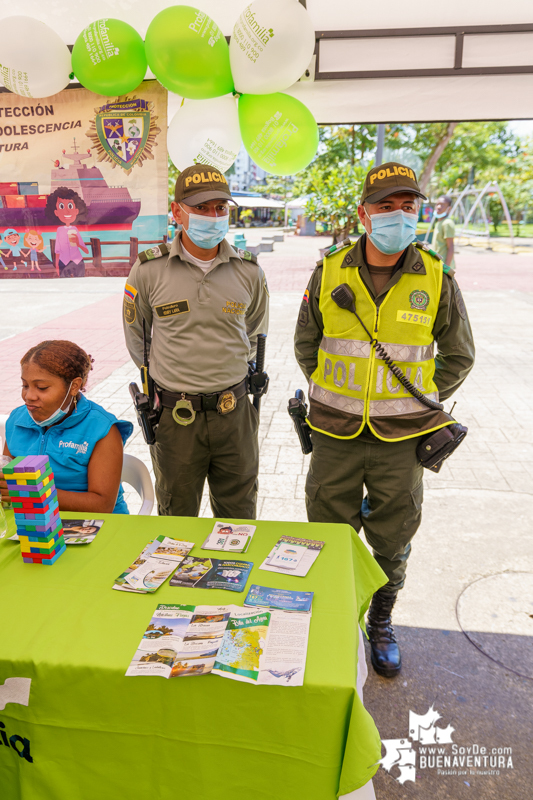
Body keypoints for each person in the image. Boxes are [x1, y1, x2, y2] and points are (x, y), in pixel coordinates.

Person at [294, 162, 475, 677]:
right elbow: (307, 343)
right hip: (334, 432)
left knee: (393, 537)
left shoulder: (436, 275)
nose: (398, 215)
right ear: (364, 214)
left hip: (402, 440)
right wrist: (336, 390)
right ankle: (337, 619)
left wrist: (418, 399)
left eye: (408, 206)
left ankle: (381, 621)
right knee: (329, 531)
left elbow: (459, 355)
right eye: (386, 206)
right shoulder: (329, 270)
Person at [123, 164, 269, 519]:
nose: (213, 216)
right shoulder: (148, 270)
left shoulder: (249, 271)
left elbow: (254, 334)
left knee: (239, 518)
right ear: (177, 211)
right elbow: (137, 339)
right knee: (177, 519)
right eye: (201, 207)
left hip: (234, 414)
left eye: (220, 208)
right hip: (176, 417)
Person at [1, 340, 133, 514]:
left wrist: (33, 494)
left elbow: (102, 505)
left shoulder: (101, 429)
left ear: (74, 386)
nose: (29, 396)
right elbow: (8, 474)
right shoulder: (18, 420)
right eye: (25, 385)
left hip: (93, 526)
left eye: (41, 387)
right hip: (32, 523)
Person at [45, 188, 89, 277]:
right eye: (61, 206)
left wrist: (78, 243)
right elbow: (57, 250)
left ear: (77, 211)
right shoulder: (59, 230)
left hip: (78, 261)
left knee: (81, 283)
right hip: (63, 261)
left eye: (70, 206)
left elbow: (86, 251)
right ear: (56, 212)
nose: (67, 211)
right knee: (64, 284)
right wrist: (57, 265)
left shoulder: (75, 229)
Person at [432, 195, 456, 269]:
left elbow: (450, 247)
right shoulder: (439, 222)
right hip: (437, 264)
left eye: (442, 205)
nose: (439, 207)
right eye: (437, 204)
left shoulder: (447, 223)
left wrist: (446, 268)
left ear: (449, 208)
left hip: (443, 265)